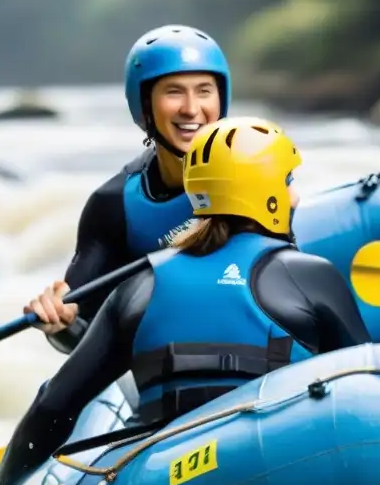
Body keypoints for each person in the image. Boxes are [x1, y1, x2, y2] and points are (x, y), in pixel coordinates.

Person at [0, 117, 372, 485]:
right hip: (281, 483)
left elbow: (55, 405)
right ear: (266, 195)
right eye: (288, 181)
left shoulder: (139, 286)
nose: (296, 195)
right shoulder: (310, 276)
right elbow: (363, 392)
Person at [26, 24, 231, 355]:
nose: (192, 108)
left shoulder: (263, 171)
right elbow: (83, 334)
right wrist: (59, 323)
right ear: (145, 105)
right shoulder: (114, 205)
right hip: (168, 368)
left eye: (204, 91)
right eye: (174, 92)